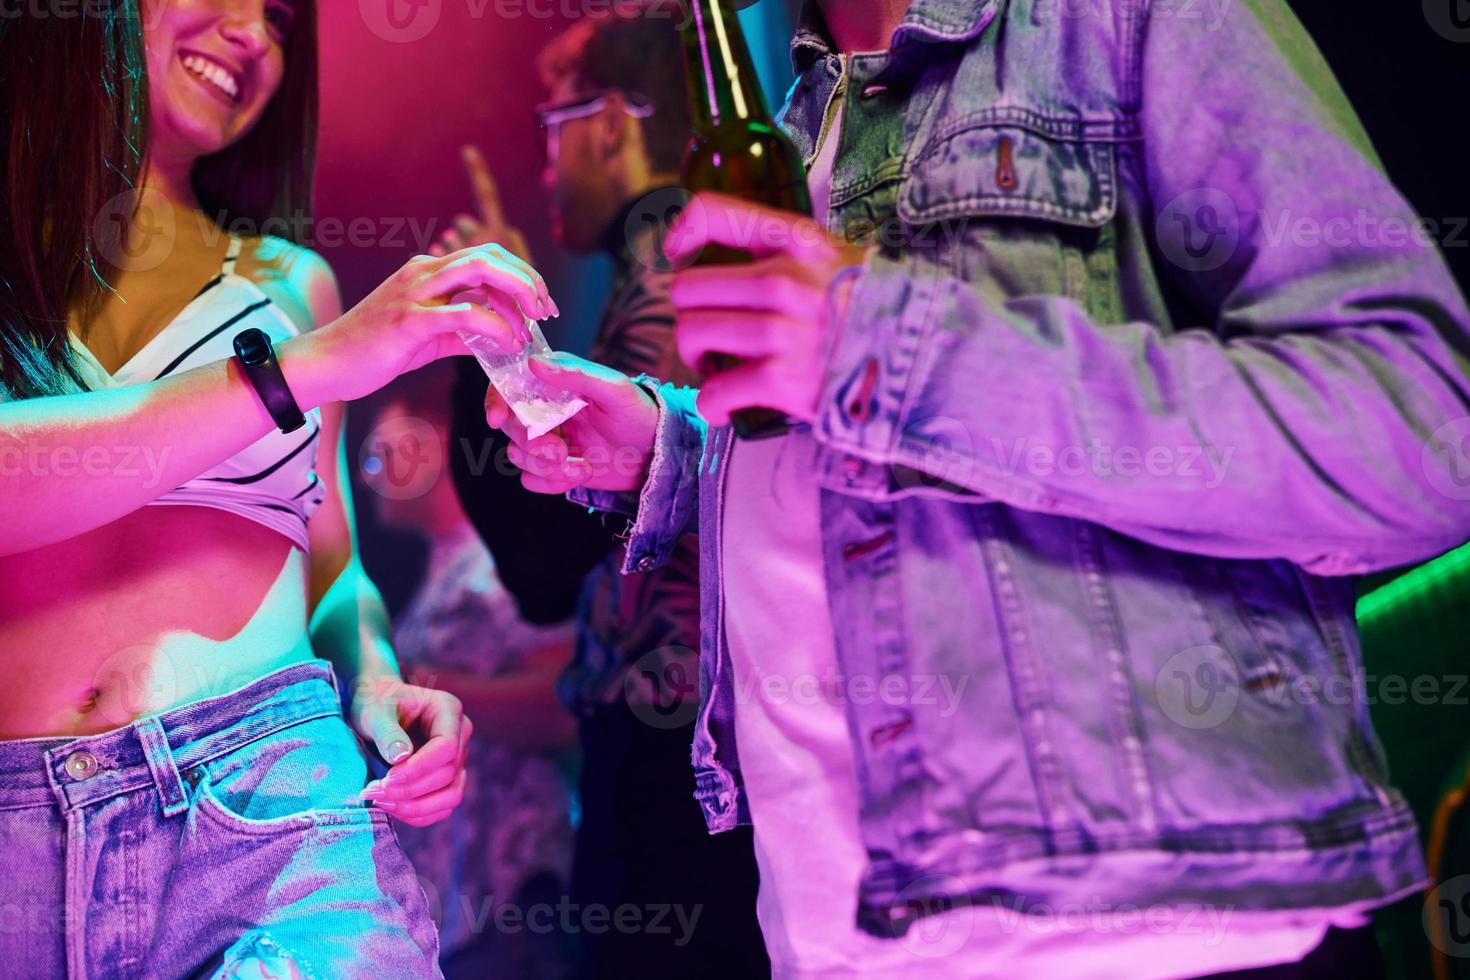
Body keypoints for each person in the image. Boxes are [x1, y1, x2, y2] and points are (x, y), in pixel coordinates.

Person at [485, 0, 1470, 977]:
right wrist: (673, 453)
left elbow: (1420, 430)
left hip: (1146, 930)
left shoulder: (1127, 21)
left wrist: (883, 350)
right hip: (840, 935)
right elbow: (889, 487)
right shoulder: (794, 116)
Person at [0, 2, 553, 974]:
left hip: (261, 803)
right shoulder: (303, 344)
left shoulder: (294, 288)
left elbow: (330, 561)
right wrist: (287, 374)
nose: (255, 35)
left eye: (283, 21)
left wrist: (377, 671)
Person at [441, 5, 770, 976]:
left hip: (682, 773)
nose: (546, 163)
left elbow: (547, 557)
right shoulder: (685, 256)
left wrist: (488, 342)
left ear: (610, 126)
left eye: (554, 125)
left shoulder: (667, 256)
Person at [362, 364, 579, 978]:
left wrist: (424, 685)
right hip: (456, 902)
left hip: (510, 897)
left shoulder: (504, 567)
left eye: (379, 458)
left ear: (433, 440)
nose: (366, 478)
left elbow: (562, 704)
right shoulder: (442, 569)